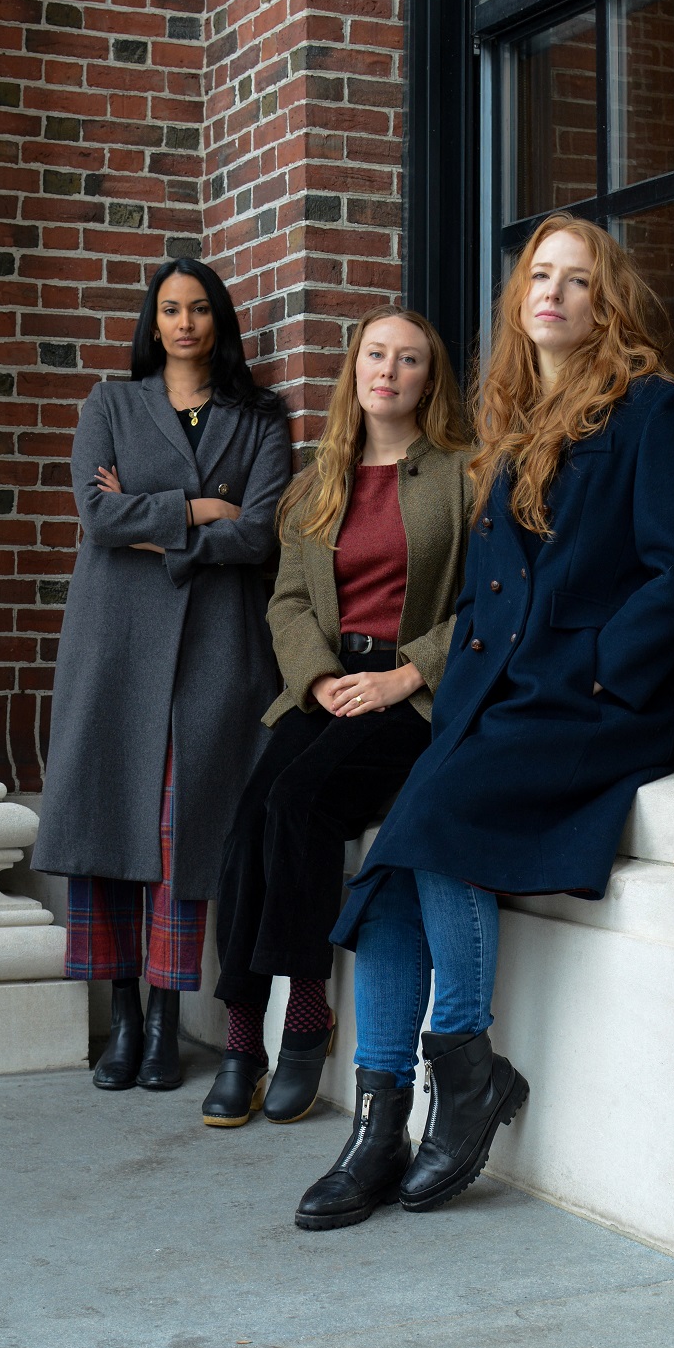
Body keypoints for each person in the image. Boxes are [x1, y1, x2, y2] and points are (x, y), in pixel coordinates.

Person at [295, 215, 674, 1229]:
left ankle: (465, 1075)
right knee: (389, 869)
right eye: (538, 277)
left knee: (426, 835)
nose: (552, 295)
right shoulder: (514, 426)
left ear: (604, 303)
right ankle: (380, 1116)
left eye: (575, 280)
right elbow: (485, 596)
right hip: (500, 704)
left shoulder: (654, 411)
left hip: (592, 709)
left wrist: (608, 677)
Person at [200, 306, 473, 1132]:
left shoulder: (465, 476)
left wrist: (405, 676)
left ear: (431, 379)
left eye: (411, 360)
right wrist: (316, 676)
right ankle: (243, 1037)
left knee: (301, 800)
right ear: (355, 370)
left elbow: (481, 606)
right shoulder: (318, 480)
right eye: (376, 356)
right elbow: (286, 600)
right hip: (325, 683)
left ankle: (306, 1015)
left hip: (406, 695)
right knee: (247, 820)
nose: (389, 371)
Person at [32, 258, 291, 1093]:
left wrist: (160, 524)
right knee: (110, 822)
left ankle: (168, 1023)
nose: (184, 323)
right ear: (153, 322)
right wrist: (196, 509)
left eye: (199, 309)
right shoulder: (111, 403)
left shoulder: (259, 417)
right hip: (114, 644)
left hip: (216, 646)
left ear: (220, 320)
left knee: (184, 831)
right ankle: (125, 1021)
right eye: (169, 309)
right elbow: (98, 517)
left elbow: (258, 536)